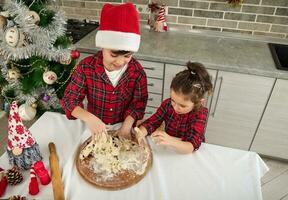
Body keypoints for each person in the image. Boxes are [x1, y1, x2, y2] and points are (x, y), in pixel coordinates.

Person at [61, 3, 148, 140]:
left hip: (123, 126)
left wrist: (126, 127)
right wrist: (89, 118)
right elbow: (69, 100)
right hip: (93, 126)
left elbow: (138, 104)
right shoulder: (86, 68)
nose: (120, 62)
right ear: (102, 47)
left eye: (127, 56)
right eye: (113, 55)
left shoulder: (137, 72)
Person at [135, 62, 213, 154]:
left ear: (199, 102)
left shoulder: (200, 114)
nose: (175, 107)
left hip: (187, 152)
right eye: (173, 100)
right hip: (171, 149)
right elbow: (152, 122)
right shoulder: (168, 104)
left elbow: (191, 147)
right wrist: (141, 133)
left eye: (182, 105)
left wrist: (170, 141)